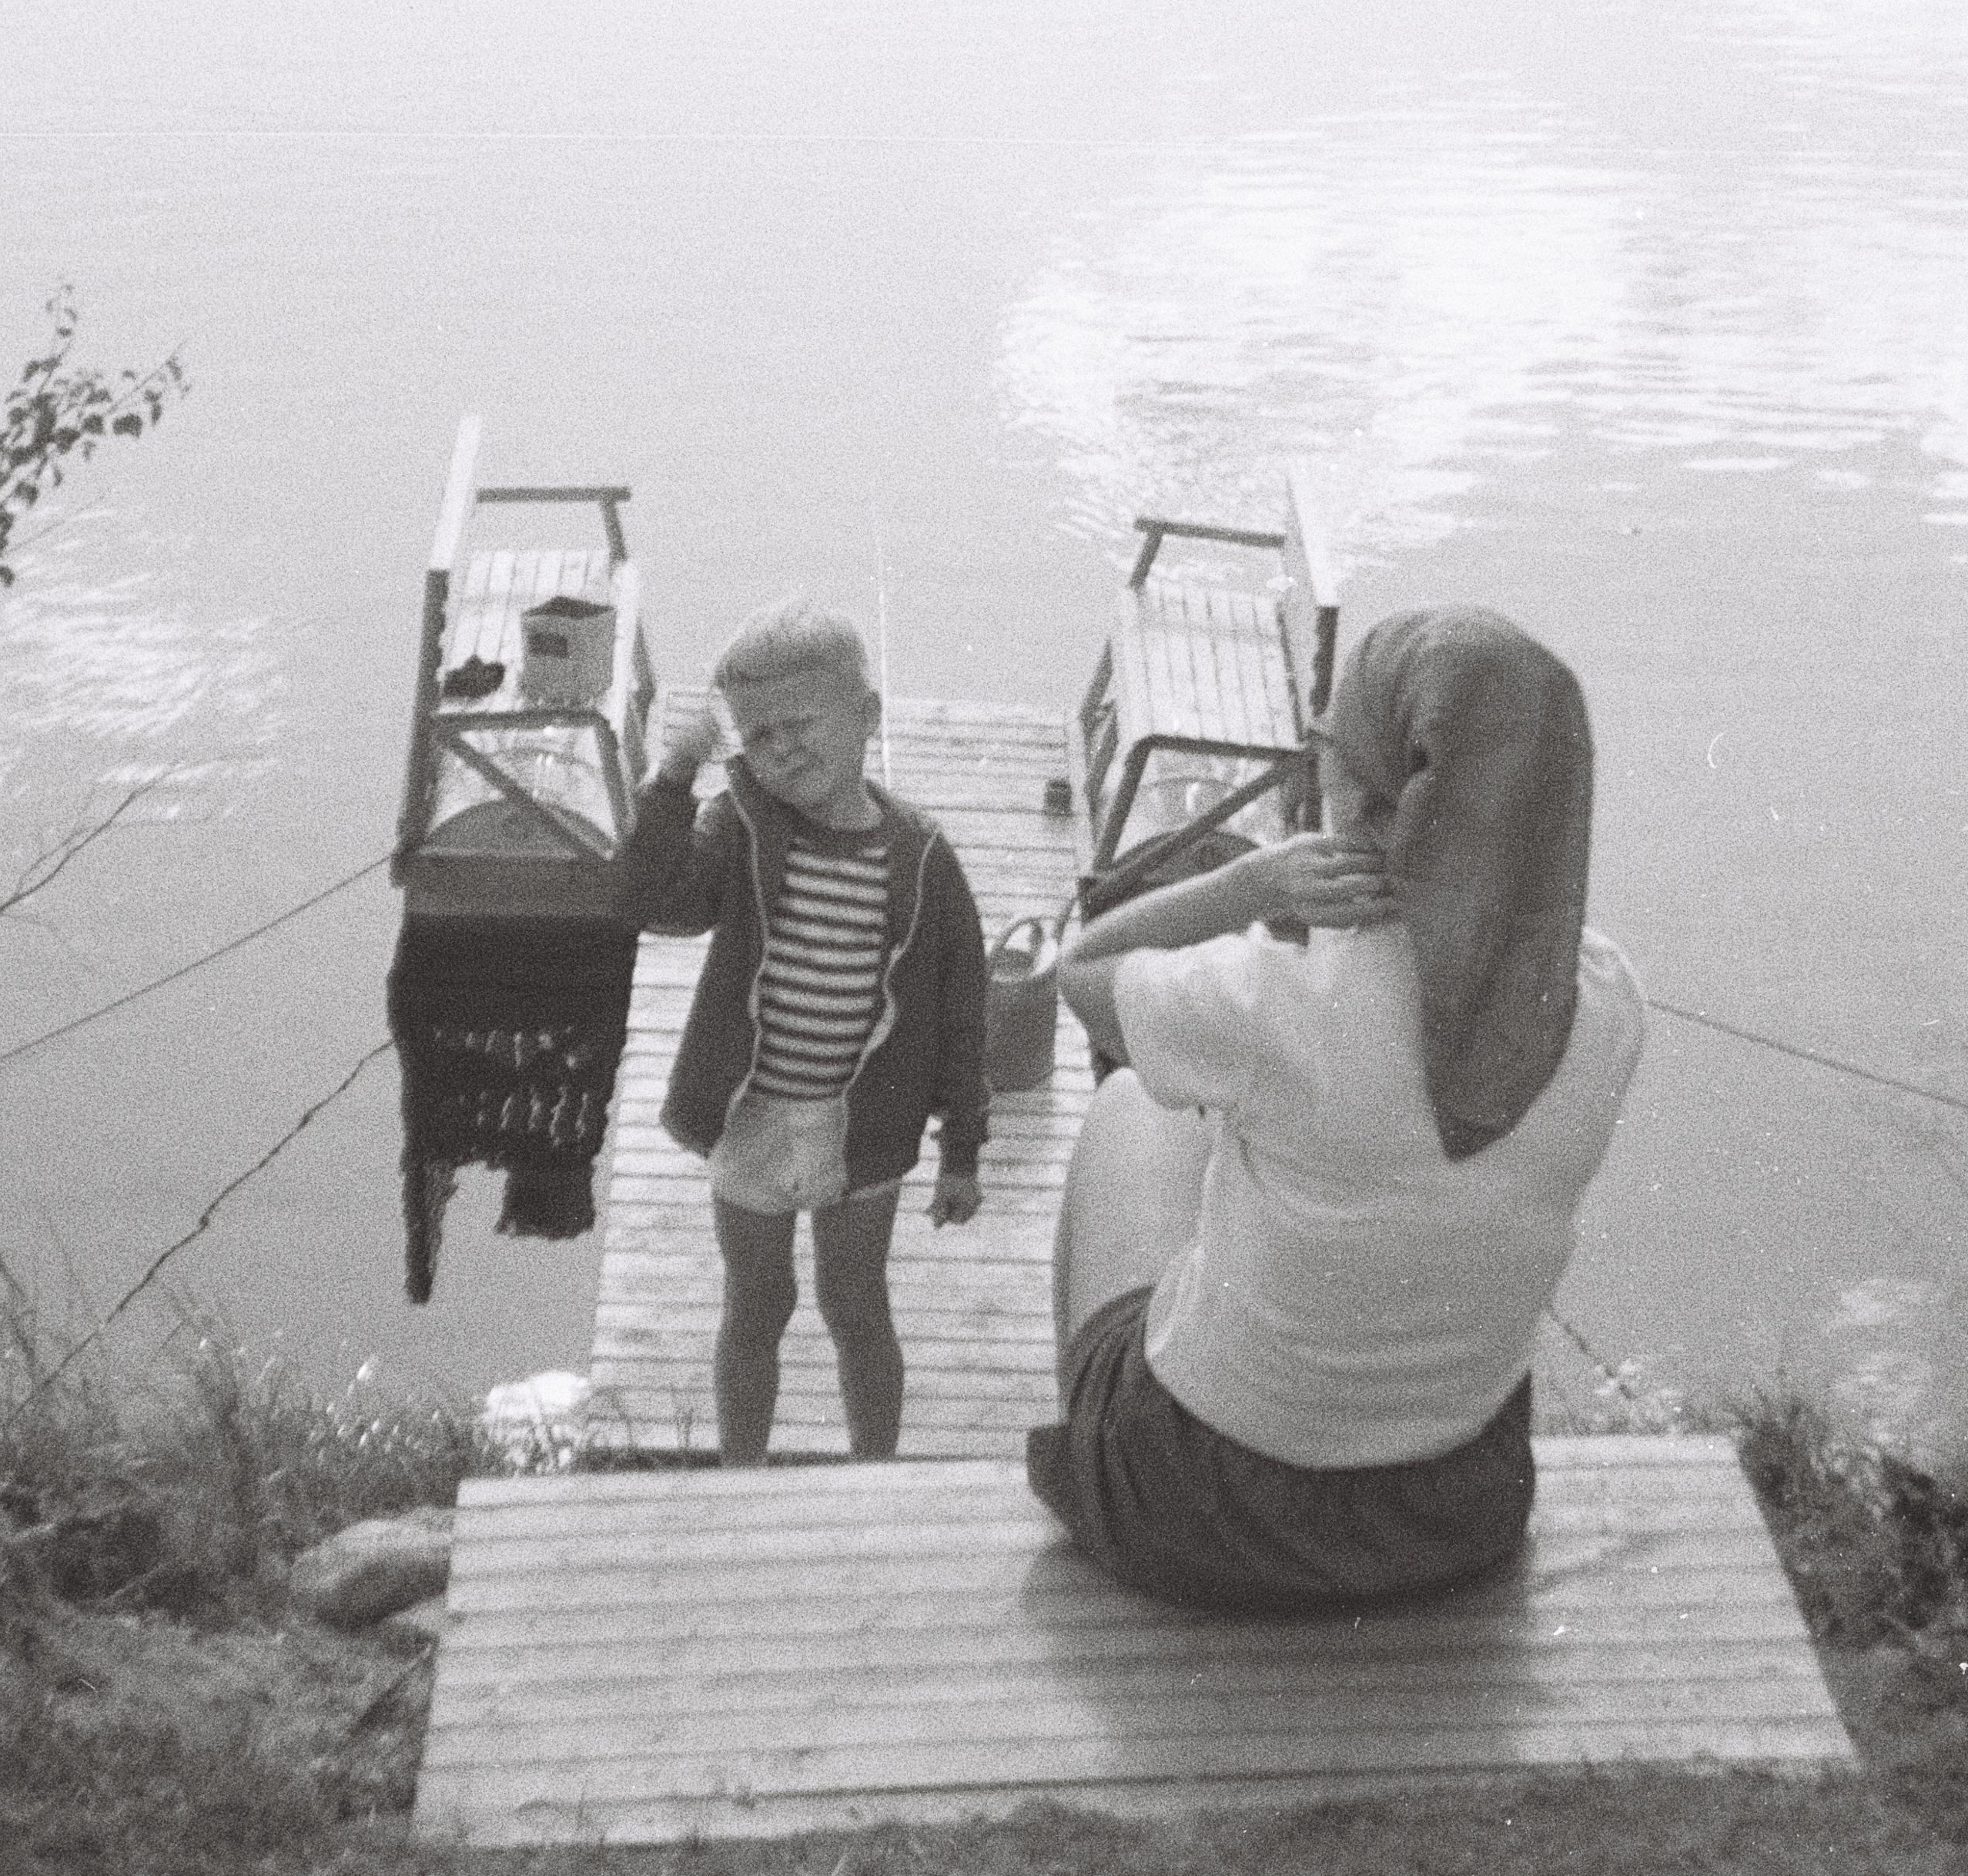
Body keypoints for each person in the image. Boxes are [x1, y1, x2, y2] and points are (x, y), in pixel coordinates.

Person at [1032, 605, 1646, 1610]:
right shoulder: (1610, 1000)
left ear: (1361, 799)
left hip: (1202, 1508)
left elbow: (1084, 965)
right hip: (1454, 1509)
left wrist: (1248, 884)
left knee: (1133, 1109)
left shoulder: (1277, 996)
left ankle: (1085, 1433)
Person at [608, 600, 988, 1464]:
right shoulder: (739, 824)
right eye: (758, 735)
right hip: (752, 1117)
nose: (779, 750)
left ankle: (873, 1472)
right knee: (756, 1305)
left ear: (866, 717)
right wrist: (672, 779)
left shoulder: (924, 857)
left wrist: (963, 1148)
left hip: (866, 1132)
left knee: (857, 1307)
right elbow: (649, 901)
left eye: (801, 724)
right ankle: (739, 1473)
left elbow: (963, 1013)